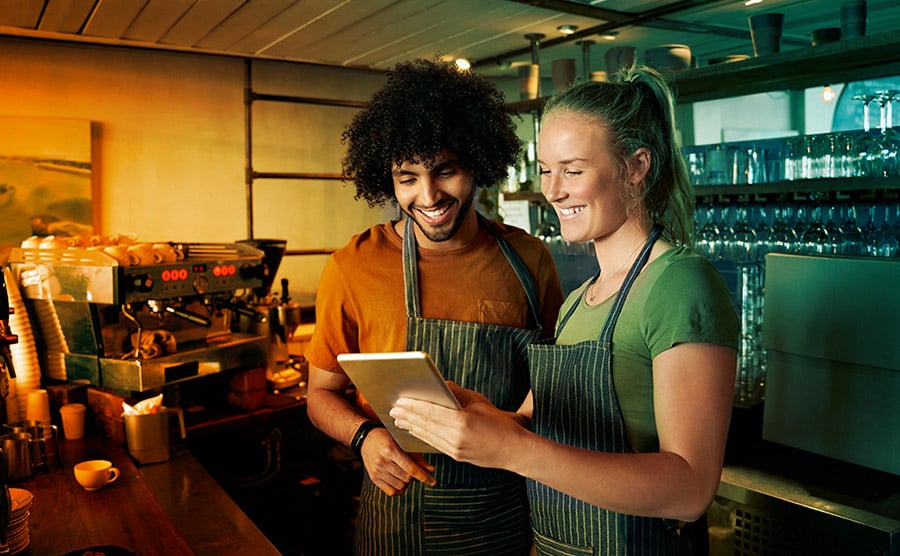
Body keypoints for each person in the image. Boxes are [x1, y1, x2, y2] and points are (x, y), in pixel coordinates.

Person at [390, 65, 740, 555]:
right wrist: (482, 416)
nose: (553, 191)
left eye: (573, 171)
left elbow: (689, 490)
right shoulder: (580, 300)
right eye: (547, 171)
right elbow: (539, 426)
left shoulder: (680, 284)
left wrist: (514, 449)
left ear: (637, 166)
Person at [304, 58, 564, 555]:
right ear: (388, 178)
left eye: (446, 171)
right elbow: (320, 395)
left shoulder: (530, 259)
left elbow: (553, 388)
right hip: (398, 518)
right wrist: (365, 439)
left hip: (505, 517)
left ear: (477, 165)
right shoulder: (351, 267)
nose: (428, 196)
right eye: (408, 177)